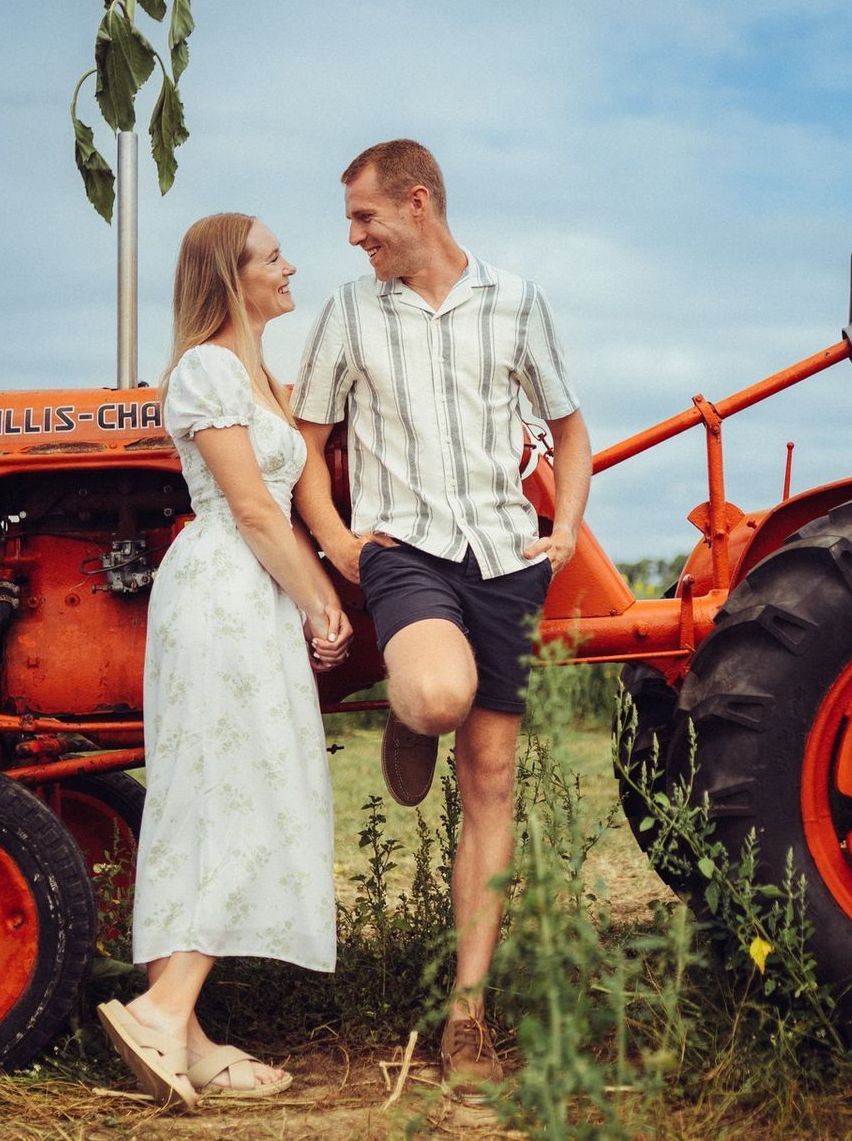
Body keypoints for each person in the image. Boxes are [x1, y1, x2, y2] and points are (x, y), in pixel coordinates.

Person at [292, 139, 591, 1098]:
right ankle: (410, 712)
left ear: (418, 204)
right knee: (438, 692)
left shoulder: (516, 299)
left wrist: (568, 526)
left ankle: (467, 1016)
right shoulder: (348, 312)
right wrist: (337, 540)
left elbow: (570, 424)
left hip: (506, 555)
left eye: (365, 218)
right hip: (406, 550)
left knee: (493, 776)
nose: (353, 238)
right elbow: (308, 439)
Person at [97, 213, 351, 1109]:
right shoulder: (207, 368)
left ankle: (192, 1043)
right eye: (273, 256)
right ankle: (164, 1011)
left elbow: (298, 494)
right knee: (243, 783)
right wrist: (322, 599)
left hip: (255, 594)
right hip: (226, 588)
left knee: (210, 790)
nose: (291, 267)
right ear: (229, 275)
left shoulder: (265, 382)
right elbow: (249, 507)